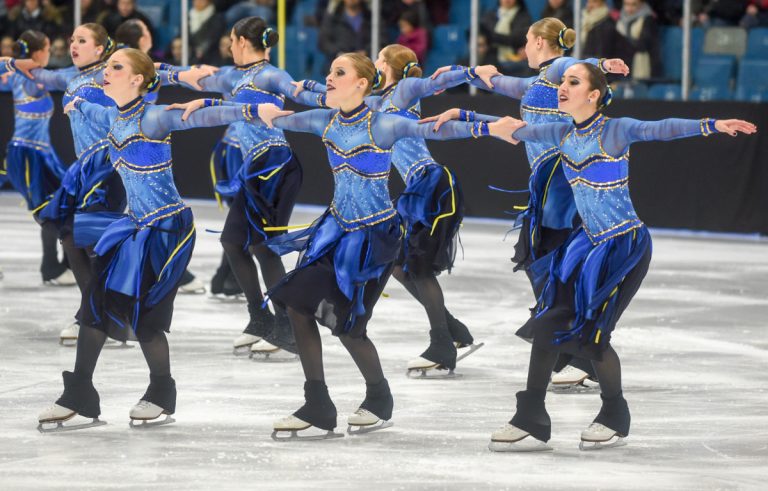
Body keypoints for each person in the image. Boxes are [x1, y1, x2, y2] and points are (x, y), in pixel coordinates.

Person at [428, 62, 756, 451]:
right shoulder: (563, 132)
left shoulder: (615, 130)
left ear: (595, 94)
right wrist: (463, 114)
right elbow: (512, 128)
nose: (562, 88)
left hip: (623, 246)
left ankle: (614, 412)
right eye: (562, 82)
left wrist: (713, 125)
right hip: (584, 244)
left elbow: (662, 127)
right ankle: (530, 415)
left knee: (592, 335)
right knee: (548, 323)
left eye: (573, 82)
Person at [189, 52, 516, 438]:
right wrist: (206, 103)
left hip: (374, 240)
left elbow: (434, 130)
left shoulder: (384, 125)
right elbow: (272, 116)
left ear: (362, 83)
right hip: (333, 232)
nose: (328, 77)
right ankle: (318, 404)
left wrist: (489, 126)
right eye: (329, 71)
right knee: (295, 304)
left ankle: (379, 397)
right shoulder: (325, 120)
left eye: (338, 73)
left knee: (349, 329)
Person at [36, 47, 285, 432]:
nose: (107, 71)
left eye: (116, 67)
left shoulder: (153, 117)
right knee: (96, 305)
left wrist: (251, 111)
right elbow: (87, 105)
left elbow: (208, 115)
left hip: (166, 230)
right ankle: (80, 393)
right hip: (133, 226)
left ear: (136, 79)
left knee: (146, 319)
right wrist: (75, 103)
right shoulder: (111, 115)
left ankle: (160, 392)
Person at [431, 17, 630, 387]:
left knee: (559, 269)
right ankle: (571, 349)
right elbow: (496, 86)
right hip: (549, 186)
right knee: (548, 269)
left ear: (540, 41)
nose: (523, 47)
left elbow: (570, 66)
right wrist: (460, 79)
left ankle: (582, 354)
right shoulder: (535, 86)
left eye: (526, 40)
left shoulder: (556, 71)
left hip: (565, 185)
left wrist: (601, 66)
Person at [294, 45, 500, 374]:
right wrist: (309, 88)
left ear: (388, 65)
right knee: (397, 265)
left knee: (417, 269)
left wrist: (472, 72)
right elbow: (341, 97)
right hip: (416, 189)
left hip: (430, 185)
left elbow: (434, 82)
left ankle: (442, 343)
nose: (374, 63)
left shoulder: (403, 91)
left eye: (378, 59)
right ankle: (452, 331)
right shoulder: (378, 102)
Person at [17, 23, 212, 344]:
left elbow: (153, 70)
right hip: (84, 172)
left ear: (100, 48)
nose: (74, 45)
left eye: (82, 40)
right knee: (75, 238)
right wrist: (14, 63)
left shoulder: (105, 75)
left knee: (85, 242)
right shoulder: (69, 76)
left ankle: (97, 315)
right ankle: (103, 312)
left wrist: (182, 74)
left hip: (109, 170)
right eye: (72, 39)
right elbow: (41, 76)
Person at [164, 17, 325, 355]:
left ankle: (286, 324)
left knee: (261, 247)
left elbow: (301, 92)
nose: (229, 43)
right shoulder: (230, 75)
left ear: (238, 40)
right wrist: (160, 70)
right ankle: (261, 317)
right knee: (234, 242)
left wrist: (337, 96)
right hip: (255, 168)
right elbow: (198, 76)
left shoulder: (271, 74)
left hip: (276, 166)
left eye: (231, 39)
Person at [114, 18, 210, 295]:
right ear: (140, 40)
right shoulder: (124, 70)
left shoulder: (139, 68)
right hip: (122, 145)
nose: (150, 34)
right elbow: (159, 71)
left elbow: (158, 71)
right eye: (145, 31)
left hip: (139, 141)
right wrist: (183, 75)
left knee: (143, 208)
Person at [0, 31, 73, 285]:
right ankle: (51, 268)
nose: (50, 53)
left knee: (67, 203)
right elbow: (62, 79)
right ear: (38, 52)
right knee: (47, 209)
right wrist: (11, 63)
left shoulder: (27, 76)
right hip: (26, 154)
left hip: (43, 153)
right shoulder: (31, 77)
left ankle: (67, 262)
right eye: (48, 48)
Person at [480, 0, 533, 76]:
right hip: (492, 58)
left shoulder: (524, 17)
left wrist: (491, 36)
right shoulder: (489, 16)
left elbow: (516, 39)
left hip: (516, 61)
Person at [615, 0, 662, 80]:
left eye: (634, 5)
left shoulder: (648, 20)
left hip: (641, 65)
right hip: (621, 64)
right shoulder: (620, 19)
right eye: (626, 4)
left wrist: (622, 41)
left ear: (642, 4)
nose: (629, 8)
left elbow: (643, 45)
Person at [189, 0, 227, 65]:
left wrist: (202, 49)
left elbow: (214, 38)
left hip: (211, 57)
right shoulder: (188, 17)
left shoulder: (217, 18)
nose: (198, 1)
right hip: (192, 57)